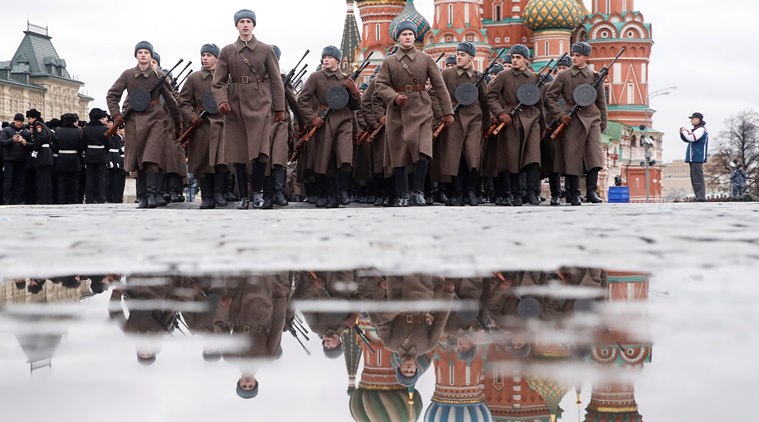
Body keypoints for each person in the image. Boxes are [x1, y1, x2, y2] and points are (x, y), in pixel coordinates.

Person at [211, 9, 286, 210]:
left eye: (248, 21)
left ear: (253, 25)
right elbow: (218, 82)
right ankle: (243, 196)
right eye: (241, 22)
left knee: (261, 150)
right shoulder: (227, 51)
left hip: (260, 101)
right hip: (234, 103)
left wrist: (279, 107)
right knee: (238, 151)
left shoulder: (266, 50)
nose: (245, 25)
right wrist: (222, 101)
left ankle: (259, 193)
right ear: (236, 25)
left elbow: (276, 81)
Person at [374, 21, 454, 206]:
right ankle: (402, 194)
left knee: (423, 151)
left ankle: (418, 192)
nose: (408, 37)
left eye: (410, 34)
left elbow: (440, 86)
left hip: (422, 108)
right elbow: (380, 85)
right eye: (404, 34)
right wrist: (394, 97)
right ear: (398, 38)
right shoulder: (389, 61)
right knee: (399, 152)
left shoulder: (426, 59)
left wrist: (447, 112)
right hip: (398, 111)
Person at [106, 41, 181, 208]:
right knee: (138, 159)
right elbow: (112, 94)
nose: (143, 55)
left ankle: (154, 194)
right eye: (140, 52)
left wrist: (178, 125)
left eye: (146, 52)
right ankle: (143, 196)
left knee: (151, 158)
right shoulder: (127, 75)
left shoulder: (159, 76)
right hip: (134, 121)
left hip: (156, 119)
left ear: (151, 56)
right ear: (136, 55)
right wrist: (116, 115)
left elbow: (171, 101)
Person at [296, 45, 361, 208]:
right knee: (327, 161)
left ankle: (341, 191)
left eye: (330, 57)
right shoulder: (315, 77)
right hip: (324, 122)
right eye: (324, 57)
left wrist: (354, 92)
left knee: (345, 159)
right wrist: (312, 118)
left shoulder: (346, 79)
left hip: (344, 121)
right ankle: (330, 193)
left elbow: (354, 106)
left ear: (338, 60)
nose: (326, 59)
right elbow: (302, 100)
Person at [545, 42, 607, 206]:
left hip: (592, 118)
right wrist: (560, 115)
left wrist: (603, 123)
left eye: (578, 55)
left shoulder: (595, 76)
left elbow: (601, 102)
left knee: (594, 156)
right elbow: (550, 97)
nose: (574, 58)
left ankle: (592, 191)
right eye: (573, 54)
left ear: (586, 57)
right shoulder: (563, 76)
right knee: (572, 157)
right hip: (571, 119)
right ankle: (574, 194)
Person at [487, 44, 545, 206]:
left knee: (532, 157)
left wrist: (542, 124)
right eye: (513, 57)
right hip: (510, 120)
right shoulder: (503, 76)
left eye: (518, 57)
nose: (515, 60)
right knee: (512, 159)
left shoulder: (534, 78)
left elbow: (538, 102)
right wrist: (500, 113)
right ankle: (516, 194)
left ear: (526, 59)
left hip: (531, 119)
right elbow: (490, 96)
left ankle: (532, 193)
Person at [178, 43, 228, 209]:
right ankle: (207, 196)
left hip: (222, 123)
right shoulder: (194, 78)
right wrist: (192, 117)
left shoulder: (226, 77)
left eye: (209, 55)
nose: (205, 58)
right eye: (203, 55)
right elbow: (183, 101)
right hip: (202, 125)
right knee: (203, 161)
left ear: (217, 58)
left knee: (222, 160)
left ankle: (219, 193)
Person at [439, 42, 489, 206]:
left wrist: (486, 126)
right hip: (454, 118)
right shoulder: (447, 74)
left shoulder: (478, 77)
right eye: (458, 54)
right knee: (455, 157)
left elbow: (484, 101)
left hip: (474, 119)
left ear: (471, 58)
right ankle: (457, 193)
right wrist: (444, 112)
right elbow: (435, 94)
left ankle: (471, 191)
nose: (459, 57)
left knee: (472, 156)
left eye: (463, 54)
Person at [52, 113, 85, 204]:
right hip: (74, 158)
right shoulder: (78, 131)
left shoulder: (58, 131)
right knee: (74, 182)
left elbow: (55, 146)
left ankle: (62, 200)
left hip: (61, 158)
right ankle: (73, 200)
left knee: (62, 182)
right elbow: (81, 146)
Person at [0, 114, 32, 204]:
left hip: (22, 160)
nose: (19, 123)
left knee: (20, 181)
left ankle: (17, 199)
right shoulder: (7, 130)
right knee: (8, 182)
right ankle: (7, 200)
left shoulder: (26, 132)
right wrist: (12, 140)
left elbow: (32, 145)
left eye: (21, 121)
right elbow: (2, 142)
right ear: (14, 121)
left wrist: (26, 143)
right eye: (17, 121)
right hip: (9, 159)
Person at [82, 108, 110, 203]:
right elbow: (108, 144)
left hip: (90, 154)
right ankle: (101, 197)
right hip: (101, 154)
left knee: (90, 177)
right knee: (101, 177)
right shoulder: (105, 129)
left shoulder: (86, 129)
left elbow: (82, 144)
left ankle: (89, 198)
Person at [27, 109, 55, 204]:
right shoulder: (44, 125)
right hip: (47, 153)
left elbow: (41, 138)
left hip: (43, 154)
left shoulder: (37, 124)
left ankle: (43, 199)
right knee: (46, 179)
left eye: (30, 118)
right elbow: (54, 137)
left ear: (34, 118)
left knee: (42, 179)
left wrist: (35, 149)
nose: (29, 121)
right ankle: (46, 199)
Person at [679, 112, 708, 202]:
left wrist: (684, 130)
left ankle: (701, 197)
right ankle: (698, 196)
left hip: (697, 157)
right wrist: (682, 133)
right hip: (693, 157)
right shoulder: (697, 129)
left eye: (692, 119)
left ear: (697, 120)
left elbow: (692, 138)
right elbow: (687, 139)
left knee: (698, 178)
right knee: (694, 179)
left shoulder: (701, 130)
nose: (691, 121)